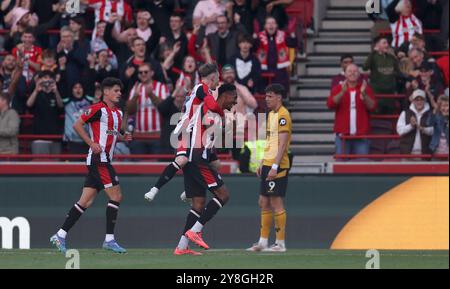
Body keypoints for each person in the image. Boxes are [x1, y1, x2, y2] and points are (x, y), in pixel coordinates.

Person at [50, 77, 132, 254]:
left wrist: (124, 135)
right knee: (116, 196)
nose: (119, 94)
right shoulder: (96, 109)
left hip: (105, 160)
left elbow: (113, 131)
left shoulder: (117, 113)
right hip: (98, 160)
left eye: (120, 91)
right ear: (106, 92)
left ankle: (60, 234)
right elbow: (77, 124)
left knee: (85, 201)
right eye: (116, 91)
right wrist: (91, 143)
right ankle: (109, 240)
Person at [144, 63, 224, 201]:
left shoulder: (198, 90)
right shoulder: (202, 88)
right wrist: (223, 114)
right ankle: (154, 189)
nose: (219, 82)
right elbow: (213, 105)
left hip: (199, 135)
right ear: (213, 77)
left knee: (215, 165)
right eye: (218, 78)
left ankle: (190, 189)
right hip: (187, 131)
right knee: (182, 160)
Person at [175, 83, 237, 255]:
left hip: (194, 158)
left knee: (199, 203)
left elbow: (211, 139)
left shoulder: (216, 112)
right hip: (197, 159)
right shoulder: (209, 109)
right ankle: (195, 230)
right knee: (223, 194)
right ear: (225, 95)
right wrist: (224, 126)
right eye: (234, 98)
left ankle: (181, 246)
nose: (235, 102)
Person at [247, 83, 291, 253]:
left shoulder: (283, 116)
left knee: (276, 202)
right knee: (263, 201)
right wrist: (262, 162)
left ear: (279, 97)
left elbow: (282, 144)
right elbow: (270, 142)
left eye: (270, 96)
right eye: (266, 96)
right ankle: (263, 242)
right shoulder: (271, 115)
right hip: (267, 164)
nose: (267, 99)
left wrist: (274, 166)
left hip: (278, 166)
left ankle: (280, 244)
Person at [327, 64, 377, 158]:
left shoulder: (365, 89)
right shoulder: (338, 89)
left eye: (355, 71)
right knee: (341, 166)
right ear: (345, 74)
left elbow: (372, 107)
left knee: (362, 167)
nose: (352, 73)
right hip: (343, 136)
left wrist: (364, 95)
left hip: (361, 136)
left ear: (358, 74)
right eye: (350, 71)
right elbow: (330, 105)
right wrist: (342, 92)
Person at [126, 63, 169, 154]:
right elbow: (129, 110)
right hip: (139, 138)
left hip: (157, 136)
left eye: (146, 71)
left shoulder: (161, 87)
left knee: (157, 167)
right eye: (140, 72)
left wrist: (151, 95)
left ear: (152, 73)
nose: (143, 74)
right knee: (138, 167)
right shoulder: (135, 88)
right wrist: (135, 97)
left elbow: (166, 109)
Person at [397, 89, 434, 157]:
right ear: (413, 101)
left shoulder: (431, 114)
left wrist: (424, 129)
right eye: (417, 100)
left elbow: (435, 130)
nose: (419, 102)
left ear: (425, 100)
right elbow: (399, 131)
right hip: (407, 154)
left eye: (421, 99)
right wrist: (411, 126)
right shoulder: (405, 113)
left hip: (425, 154)